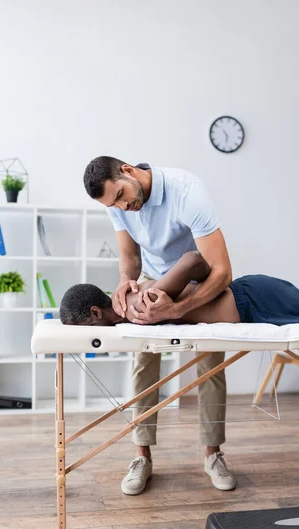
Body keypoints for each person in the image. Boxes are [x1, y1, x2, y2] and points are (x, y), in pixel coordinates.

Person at [82, 156, 235, 496]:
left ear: (128, 171)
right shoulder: (117, 205)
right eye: (115, 204)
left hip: (200, 278)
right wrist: (125, 281)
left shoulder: (187, 191)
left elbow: (222, 271)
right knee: (144, 358)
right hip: (155, 279)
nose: (124, 207)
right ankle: (141, 457)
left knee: (210, 359)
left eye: (122, 196)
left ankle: (213, 454)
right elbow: (131, 259)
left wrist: (179, 309)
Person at [60, 250, 299, 328]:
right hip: (252, 311)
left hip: (252, 298)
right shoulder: (129, 313)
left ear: (95, 312)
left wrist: (175, 308)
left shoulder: (140, 302)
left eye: (81, 326)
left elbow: (193, 260)